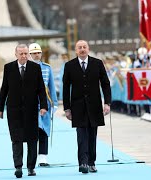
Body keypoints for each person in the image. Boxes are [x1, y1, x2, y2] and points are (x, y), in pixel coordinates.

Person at [0, 44, 48, 178]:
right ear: (16, 54)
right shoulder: (8, 68)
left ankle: (31, 167)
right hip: (14, 110)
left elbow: (41, 88)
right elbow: (4, 89)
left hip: (31, 110)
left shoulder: (35, 68)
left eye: (26, 53)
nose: (24, 56)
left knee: (32, 139)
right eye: (21, 54)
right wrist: (0, 108)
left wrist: (43, 106)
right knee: (16, 139)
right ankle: (18, 167)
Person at [62, 40, 111, 174]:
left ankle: (91, 162)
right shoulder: (69, 65)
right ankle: (83, 162)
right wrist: (67, 108)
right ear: (76, 50)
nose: (82, 49)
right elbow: (66, 88)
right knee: (81, 134)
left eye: (84, 47)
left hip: (94, 105)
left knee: (92, 134)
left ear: (88, 49)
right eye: (79, 48)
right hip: (77, 106)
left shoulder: (97, 63)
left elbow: (105, 84)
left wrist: (107, 103)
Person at [28, 42, 58, 167]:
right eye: (34, 53)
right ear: (30, 54)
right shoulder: (26, 67)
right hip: (31, 104)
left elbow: (51, 85)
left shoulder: (47, 68)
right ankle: (33, 157)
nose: (36, 55)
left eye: (38, 53)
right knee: (33, 131)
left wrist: (55, 103)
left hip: (45, 104)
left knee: (44, 130)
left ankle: (43, 157)